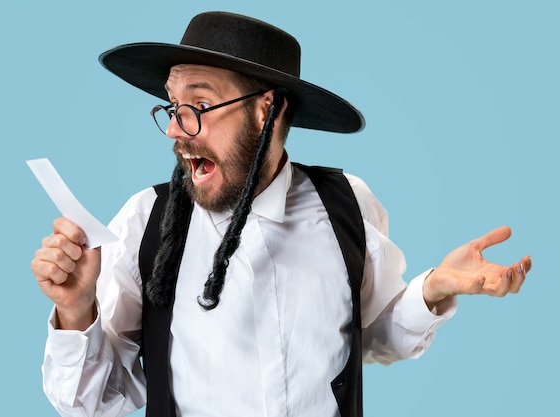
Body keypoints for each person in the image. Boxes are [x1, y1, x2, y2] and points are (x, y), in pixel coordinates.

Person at [31, 11, 531, 417]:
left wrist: (431, 290)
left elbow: (373, 337)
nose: (176, 130)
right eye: (172, 106)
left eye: (199, 105)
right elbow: (93, 405)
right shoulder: (147, 223)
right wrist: (76, 313)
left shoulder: (347, 206)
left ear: (267, 108)